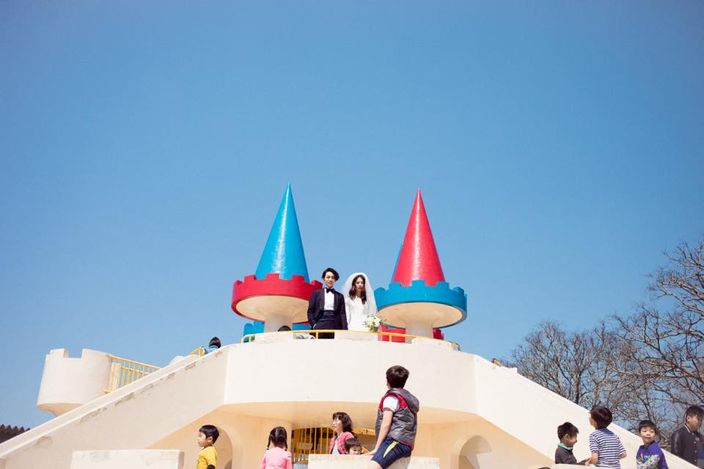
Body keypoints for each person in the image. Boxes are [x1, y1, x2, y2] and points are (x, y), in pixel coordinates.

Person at [368, 365, 419, 469]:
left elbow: (386, 424)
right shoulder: (408, 399)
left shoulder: (391, 398)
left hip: (395, 441)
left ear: (387, 382)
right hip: (406, 444)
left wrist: (377, 447)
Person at [307, 267, 347, 338]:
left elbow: (342, 314)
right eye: (328, 277)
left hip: (335, 325)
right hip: (320, 324)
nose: (330, 279)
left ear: (335, 280)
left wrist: (344, 330)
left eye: (332, 277)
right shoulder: (316, 293)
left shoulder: (340, 296)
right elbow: (310, 311)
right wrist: (314, 325)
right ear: (324, 279)